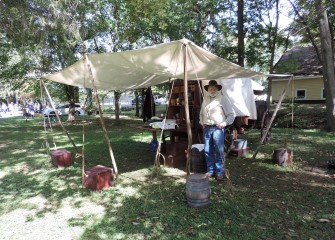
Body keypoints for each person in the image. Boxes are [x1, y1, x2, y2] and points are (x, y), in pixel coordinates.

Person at [199, 80, 236, 181]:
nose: (212, 89)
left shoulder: (223, 99)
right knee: (207, 150)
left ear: (218, 89)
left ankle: (219, 172)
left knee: (218, 150)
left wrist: (224, 123)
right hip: (206, 128)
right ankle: (210, 171)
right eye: (210, 88)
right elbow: (201, 113)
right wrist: (201, 121)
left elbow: (231, 114)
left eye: (214, 88)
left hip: (217, 128)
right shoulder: (205, 99)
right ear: (208, 89)